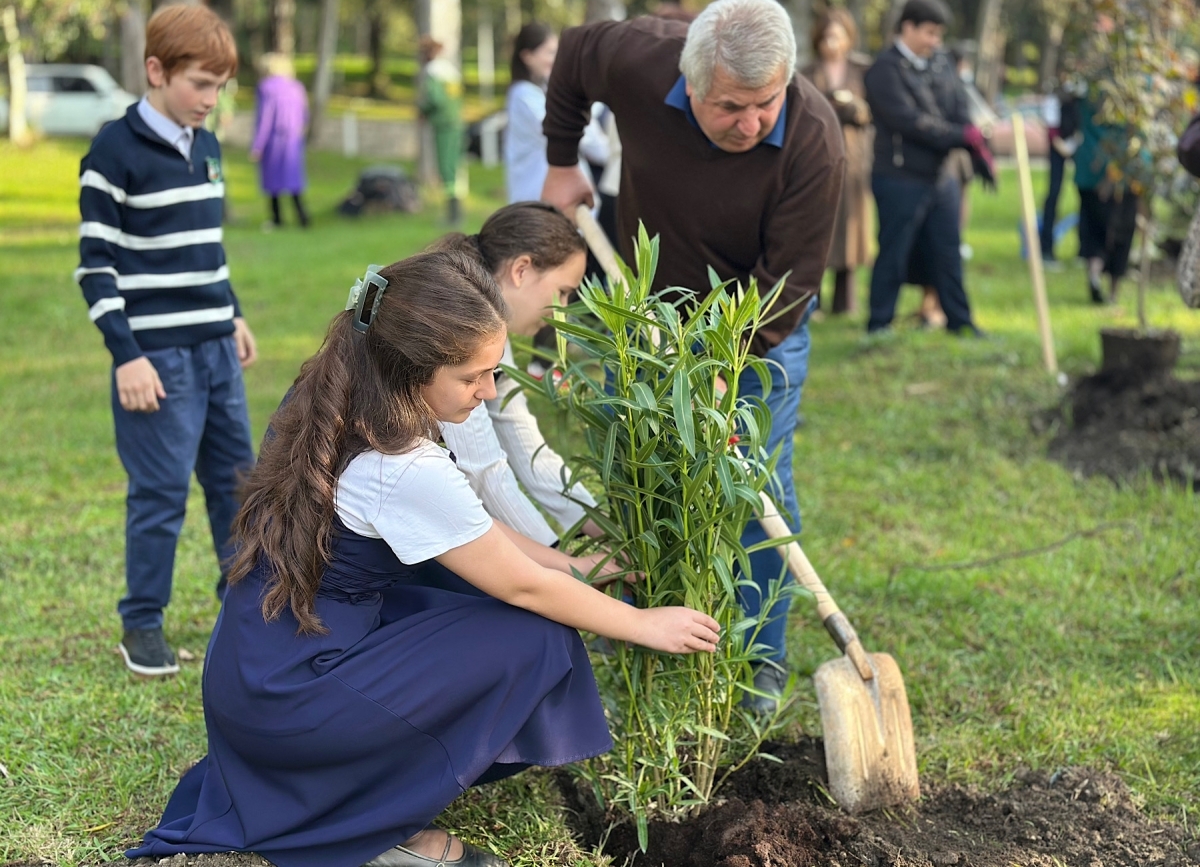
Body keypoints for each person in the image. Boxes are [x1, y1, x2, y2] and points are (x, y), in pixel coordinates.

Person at [126, 251, 720, 867]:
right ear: (412, 368)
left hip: (256, 678)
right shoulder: (401, 461)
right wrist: (646, 623)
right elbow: (524, 588)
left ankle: (348, 788)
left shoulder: (335, 392)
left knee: (457, 587)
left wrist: (582, 569)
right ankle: (365, 823)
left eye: (493, 372)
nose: (487, 393)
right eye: (473, 378)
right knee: (536, 638)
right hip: (293, 700)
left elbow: (474, 532)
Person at [539, 0, 845, 711]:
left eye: (765, 103)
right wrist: (561, 161)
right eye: (730, 107)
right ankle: (634, 632)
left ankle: (757, 659)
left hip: (755, 327)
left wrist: (715, 369)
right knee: (638, 471)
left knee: (755, 485)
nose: (751, 122)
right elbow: (576, 52)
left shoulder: (814, 140)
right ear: (689, 86)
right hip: (644, 308)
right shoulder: (640, 60)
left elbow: (788, 286)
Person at [76, 4, 256, 677]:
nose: (210, 100)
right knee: (159, 494)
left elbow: (207, 248)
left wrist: (231, 312)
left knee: (238, 483)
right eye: (199, 85)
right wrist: (126, 355)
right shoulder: (113, 151)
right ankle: (142, 622)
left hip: (215, 348)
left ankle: (242, 608)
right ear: (156, 71)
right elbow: (95, 266)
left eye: (219, 87)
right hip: (157, 360)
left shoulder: (205, 146)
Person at [435, 202, 604, 544]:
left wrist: (600, 524)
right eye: (563, 291)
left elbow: (525, 444)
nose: (564, 310)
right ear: (521, 270)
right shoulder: (460, 324)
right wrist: (559, 562)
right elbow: (482, 471)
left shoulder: (489, 320)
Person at [863, 0, 994, 336]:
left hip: (941, 176)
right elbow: (909, 122)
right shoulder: (884, 70)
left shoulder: (941, 63)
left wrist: (975, 144)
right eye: (929, 32)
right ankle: (879, 322)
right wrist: (959, 135)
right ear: (908, 27)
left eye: (939, 34)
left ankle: (960, 321)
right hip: (899, 176)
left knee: (948, 250)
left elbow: (957, 106)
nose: (935, 41)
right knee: (894, 250)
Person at [802, 8, 872, 315]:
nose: (832, 41)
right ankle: (811, 300)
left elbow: (870, 112)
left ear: (848, 38)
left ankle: (845, 303)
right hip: (816, 160)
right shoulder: (806, 71)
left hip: (853, 162)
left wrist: (852, 106)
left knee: (850, 230)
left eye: (838, 35)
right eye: (827, 35)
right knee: (815, 229)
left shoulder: (862, 71)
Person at [1074, 98, 1142, 304]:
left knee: (1093, 230)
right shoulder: (1130, 91)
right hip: (1122, 178)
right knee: (1120, 233)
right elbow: (1131, 137)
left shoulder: (1088, 90)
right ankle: (1113, 292)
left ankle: (1094, 275)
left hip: (1088, 172)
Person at [251, 53, 310, 229]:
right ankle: (302, 217)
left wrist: (257, 145)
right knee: (293, 178)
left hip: (273, 140)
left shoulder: (266, 87)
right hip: (293, 140)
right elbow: (305, 115)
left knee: (273, 180)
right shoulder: (296, 87)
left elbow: (265, 118)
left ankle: (277, 219)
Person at [418, 36, 466, 226]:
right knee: (454, 167)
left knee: (446, 168)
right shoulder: (450, 70)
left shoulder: (432, 72)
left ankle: (452, 215)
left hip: (444, 125)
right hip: (456, 122)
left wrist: (422, 110)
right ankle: (456, 212)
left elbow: (435, 99)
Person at [1038, 75, 1081, 267]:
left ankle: (1084, 250)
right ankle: (1046, 248)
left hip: (1077, 145)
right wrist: (1063, 147)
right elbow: (1052, 130)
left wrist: (1074, 144)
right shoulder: (1054, 99)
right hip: (1058, 149)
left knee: (1085, 195)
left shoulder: (1080, 96)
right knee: (1054, 193)